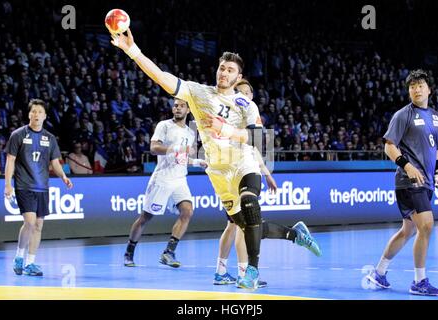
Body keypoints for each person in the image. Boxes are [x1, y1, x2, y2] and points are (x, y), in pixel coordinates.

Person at [111, 29, 321, 290]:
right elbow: (162, 78)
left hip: (243, 163)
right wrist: (133, 51)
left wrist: (227, 130)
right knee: (248, 226)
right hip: (218, 172)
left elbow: (256, 139)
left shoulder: (246, 105)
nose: (224, 73)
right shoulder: (198, 93)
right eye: (222, 68)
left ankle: (252, 272)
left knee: (250, 206)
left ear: (238, 77)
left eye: (230, 70)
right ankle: (295, 234)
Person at [366, 70, 438, 296]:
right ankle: (419, 281)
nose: (416, 89)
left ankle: (379, 272)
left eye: (420, 85)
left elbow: (437, 148)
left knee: (408, 229)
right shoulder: (403, 115)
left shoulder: (436, 117)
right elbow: (389, 146)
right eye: (412, 86)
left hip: (427, 182)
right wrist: (407, 166)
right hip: (409, 181)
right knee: (426, 225)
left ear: (429, 89)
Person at [124, 98, 207, 267]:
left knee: (187, 211)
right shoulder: (164, 125)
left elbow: (183, 158)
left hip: (180, 179)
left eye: (181, 106)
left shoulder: (191, 133)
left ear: (188, 110)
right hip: (162, 179)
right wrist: (175, 149)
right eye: (175, 105)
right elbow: (154, 148)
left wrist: (198, 162)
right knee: (146, 217)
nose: (177, 108)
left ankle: (168, 252)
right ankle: (129, 252)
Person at [213, 79, 277, 288]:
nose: (245, 95)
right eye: (240, 91)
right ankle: (244, 274)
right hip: (231, 173)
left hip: (235, 171)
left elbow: (255, 149)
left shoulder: (249, 117)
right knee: (245, 225)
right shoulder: (230, 116)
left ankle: (221, 272)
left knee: (233, 225)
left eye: (248, 92)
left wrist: (266, 173)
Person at [4, 99, 73, 276]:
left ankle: (30, 263)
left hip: (42, 187)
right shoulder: (18, 135)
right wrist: (8, 185)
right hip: (24, 185)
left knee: (38, 226)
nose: (36, 114)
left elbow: (55, 163)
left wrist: (63, 176)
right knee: (29, 222)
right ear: (29, 114)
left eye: (39, 112)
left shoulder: (49, 138)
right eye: (33, 111)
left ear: (44, 116)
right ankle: (19, 255)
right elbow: (10, 160)